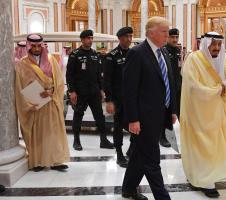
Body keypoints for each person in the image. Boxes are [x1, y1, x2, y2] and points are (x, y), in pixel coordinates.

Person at [180, 32, 226, 198]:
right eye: (212, 44)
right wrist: (221, 90)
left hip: (219, 110)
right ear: (205, 44)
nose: (216, 48)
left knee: (218, 144)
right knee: (203, 145)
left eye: (218, 45)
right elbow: (193, 88)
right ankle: (204, 180)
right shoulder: (194, 59)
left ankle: (214, 173)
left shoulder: (221, 58)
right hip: (200, 113)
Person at [121, 17, 177, 200]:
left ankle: (128, 189)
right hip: (143, 118)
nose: (167, 35)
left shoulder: (164, 53)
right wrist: (133, 119)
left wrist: (172, 110)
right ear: (150, 32)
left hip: (160, 115)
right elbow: (129, 90)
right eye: (163, 31)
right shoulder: (137, 53)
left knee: (139, 154)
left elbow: (170, 83)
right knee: (152, 160)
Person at [15, 34, 70, 171]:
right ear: (29, 46)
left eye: (39, 45)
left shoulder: (52, 60)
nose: (36, 48)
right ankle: (38, 161)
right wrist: (29, 103)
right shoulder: (23, 63)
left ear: (42, 45)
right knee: (38, 134)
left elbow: (59, 81)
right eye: (33, 46)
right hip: (36, 105)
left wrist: (51, 92)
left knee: (54, 133)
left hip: (51, 102)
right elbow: (20, 86)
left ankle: (56, 161)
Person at [66, 29, 114, 151]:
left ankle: (103, 140)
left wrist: (101, 89)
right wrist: (72, 91)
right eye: (88, 38)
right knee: (78, 115)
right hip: (80, 92)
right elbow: (69, 75)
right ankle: (76, 140)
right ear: (82, 40)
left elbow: (99, 74)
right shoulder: (75, 54)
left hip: (94, 92)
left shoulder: (95, 54)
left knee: (99, 117)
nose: (90, 40)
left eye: (91, 38)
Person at [104, 26, 134, 168]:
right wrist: (109, 100)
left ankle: (131, 149)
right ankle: (119, 153)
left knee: (136, 123)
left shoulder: (134, 54)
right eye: (126, 37)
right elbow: (107, 80)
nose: (129, 39)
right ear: (120, 38)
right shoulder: (112, 56)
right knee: (118, 127)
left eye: (130, 36)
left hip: (132, 98)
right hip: (118, 98)